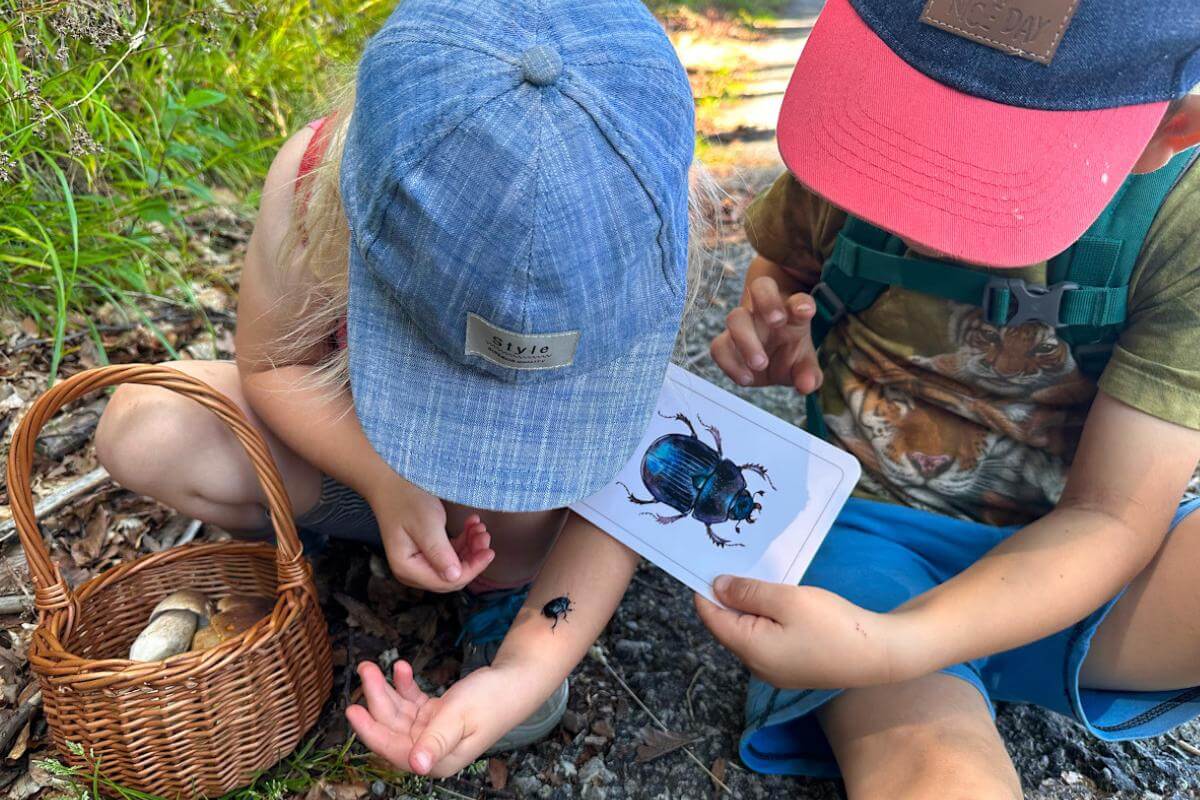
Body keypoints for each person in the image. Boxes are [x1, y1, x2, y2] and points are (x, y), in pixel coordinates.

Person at [95, 0, 705, 777]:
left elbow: (634, 481)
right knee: (147, 425)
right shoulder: (315, 179)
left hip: (522, 513)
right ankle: (324, 534)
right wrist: (385, 480)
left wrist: (524, 672)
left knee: (519, 509)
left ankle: (508, 588)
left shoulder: (635, 230)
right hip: (361, 459)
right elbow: (274, 363)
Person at [696, 0, 1200, 796]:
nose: (924, 194)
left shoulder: (1182, 222)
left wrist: (903, 644)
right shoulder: (848, 146)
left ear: (1174, 128)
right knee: (937, 771)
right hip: (869, 544)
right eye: (908, 119)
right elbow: (783, 268)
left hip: (1090, 563)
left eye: (996, 159)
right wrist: (770, 323)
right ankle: (929, 682)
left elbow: (1113, 516)